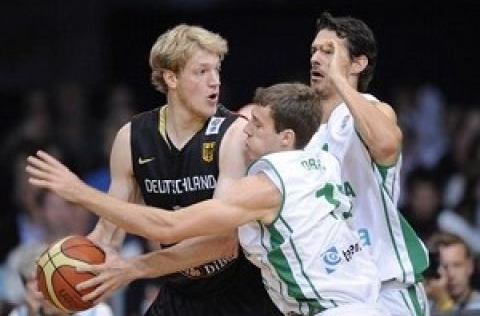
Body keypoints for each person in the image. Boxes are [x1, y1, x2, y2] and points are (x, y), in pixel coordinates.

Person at [27, 82, 384, 315]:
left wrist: (79, 193)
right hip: (362, 300)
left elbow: (169, 224)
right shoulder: (322, 160)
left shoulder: (265, 187)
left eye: (257, 125)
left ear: (286, 137)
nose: (244, 130)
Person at [44, 24, 280, 316]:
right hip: (180, 289)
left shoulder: (234, 134)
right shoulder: (132, 137)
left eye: (217, 70)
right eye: (201, 72)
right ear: (171, 77)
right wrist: (76, 271)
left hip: (242, 292)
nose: (215, 81)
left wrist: (133, 267)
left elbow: (222, 242)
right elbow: (109, 230)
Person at [304, 12, 429, 315]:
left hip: (386, 287)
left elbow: (387, 143)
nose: (316, 59)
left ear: (358, 64)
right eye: (314, 51)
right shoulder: (307, 135)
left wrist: (339, 81)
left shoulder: (372, 109)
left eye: (328, 51)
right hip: (339, 290)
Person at [7, 243, 113, 316]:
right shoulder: (17, 314)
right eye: (31, 280)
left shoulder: (97, 311)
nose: (39, 287)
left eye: (41, 278)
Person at [425, 232, 480, 313]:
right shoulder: (424, 304)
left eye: (457, 265)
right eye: (444, 266)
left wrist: (444, 302)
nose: (451, 274)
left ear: (470, 266)